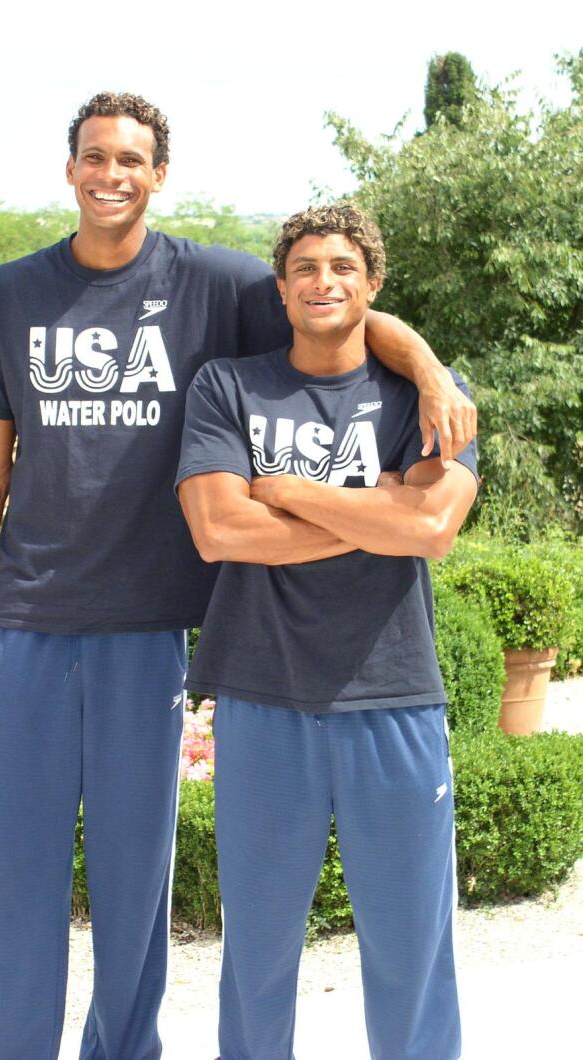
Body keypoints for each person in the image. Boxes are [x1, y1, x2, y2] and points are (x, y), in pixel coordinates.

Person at [0, 91, 476, 1060]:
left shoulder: (209, 282)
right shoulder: (13, 293)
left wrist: (426, 365)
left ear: (159, 176)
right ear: (70, 169)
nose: (111, 175)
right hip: (32, 614)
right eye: (96, 157)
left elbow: (340, 311)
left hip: (152, 623)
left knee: (138, 883)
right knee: (19, 877)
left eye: (131, 160)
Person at [176, 202, 478, 1060]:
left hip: (394, 697)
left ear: (373, 286)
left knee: (412, 949)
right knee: (260, 952)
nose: (323, 281)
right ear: (281, 287)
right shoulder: (226, 386)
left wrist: (282, 487)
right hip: (262, 697)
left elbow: (432, 530)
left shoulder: (432, 395)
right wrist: (380, 506)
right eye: (305, 267)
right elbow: (219, 532)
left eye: (343, 267)